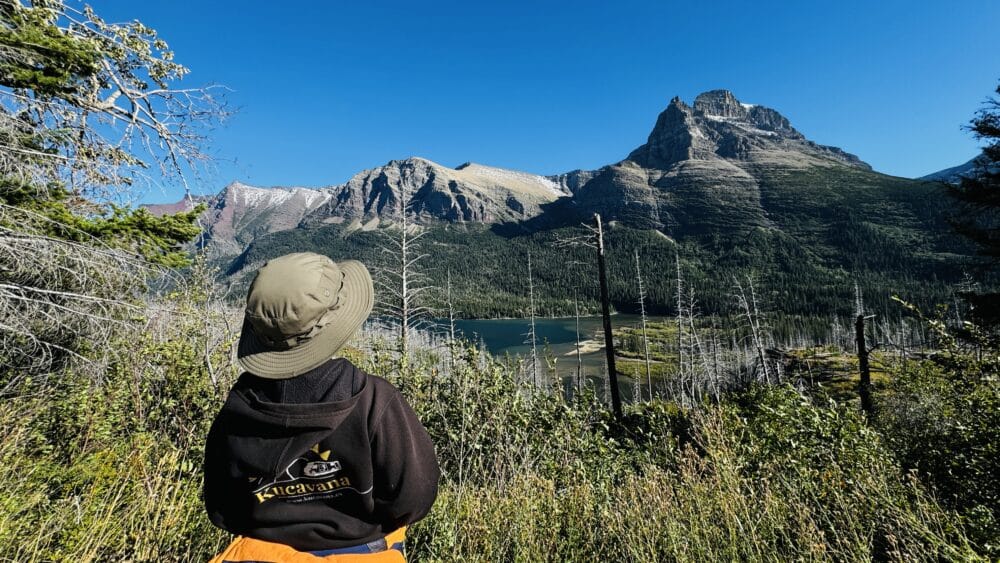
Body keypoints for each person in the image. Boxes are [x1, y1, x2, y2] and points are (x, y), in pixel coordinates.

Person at [204, 252, 439, 562]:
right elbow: (414, 498)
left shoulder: (237, 412)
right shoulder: (374, 401)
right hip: (364, 551)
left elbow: (223, 511)